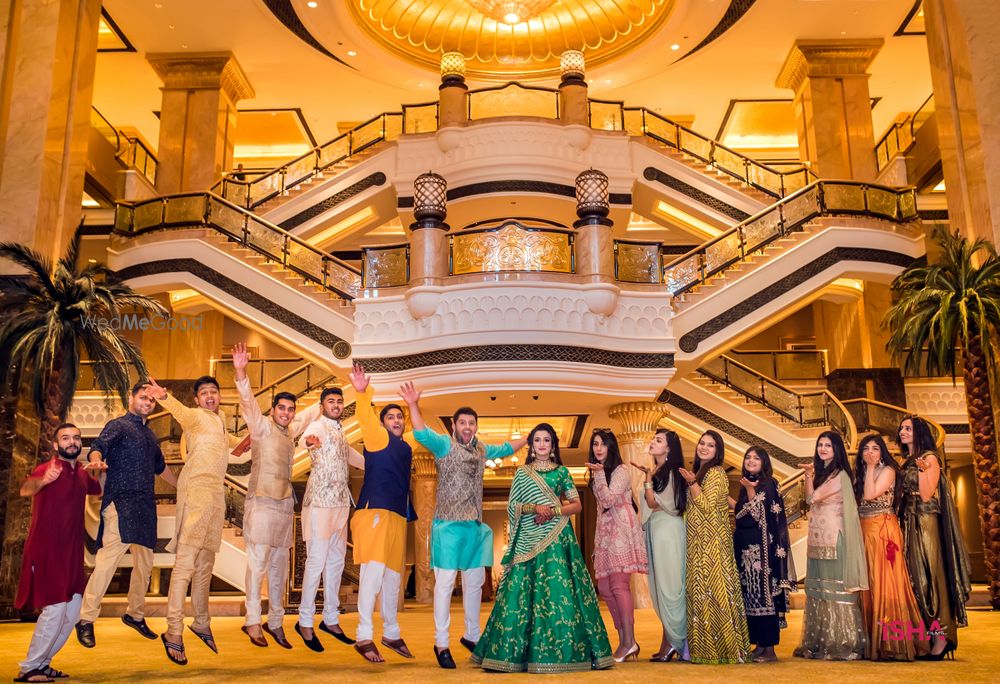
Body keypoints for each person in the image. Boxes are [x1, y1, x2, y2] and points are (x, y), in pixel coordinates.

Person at [400, 381, 525, 669]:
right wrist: (412, 404)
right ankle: (441, 643)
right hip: (448, 527)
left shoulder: (481, 449)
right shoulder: (445, 444)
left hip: (475, 528)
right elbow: (420, 432)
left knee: (474, 584)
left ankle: (472, 635)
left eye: (472, 423)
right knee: (444, 585)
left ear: (476, 427)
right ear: (454, 425)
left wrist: (530, 437)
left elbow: (506, 448)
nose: (467, 427)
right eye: (463, 422)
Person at [472, 423, 613, 673]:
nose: (542, 445)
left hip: (557, 536)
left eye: (546, 440)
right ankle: (512, 656)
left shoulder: (561, 472)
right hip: (527, 536)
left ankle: (565, 654)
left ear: (553, 445)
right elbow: (513, 505)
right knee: (521, 593)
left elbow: (576, 505)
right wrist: (535, 508)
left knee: (558, 591)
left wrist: (553, 511)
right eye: (537, 440)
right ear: (531, 445)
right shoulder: (522, 472)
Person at [231, 343, 323, 649]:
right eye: (281, 408)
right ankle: (252, 621)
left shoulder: (291, 430)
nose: (285, 413)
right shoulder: (261, 428)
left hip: (285, 506)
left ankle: (276, 622)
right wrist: (241, 371)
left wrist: (328, 399)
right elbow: (247, 403)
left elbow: (313, 412)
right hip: (260, 503)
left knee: (279, 569)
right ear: (273, 411)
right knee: (257, 566)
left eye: (289, 409)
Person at [147, 375, 241, 665]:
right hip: (196, 491)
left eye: (214, 391)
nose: (210, 396)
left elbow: (231, 445)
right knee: (185, 565)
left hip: (215, 495)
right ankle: (173, 631)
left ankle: (201, 622)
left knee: (205, 565)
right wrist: (163, 396)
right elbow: (181, 413)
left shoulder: (220, 420)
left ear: (220, 396)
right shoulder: (196, 417)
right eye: (204, 393)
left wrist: (248, 442)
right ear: (197, 399)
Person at [75, 382, 177, 648]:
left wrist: (184, 486)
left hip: (145, 505)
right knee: (108, 562)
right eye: (142, 397)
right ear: (131, 398)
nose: (147, 402)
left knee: (144, 565)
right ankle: (85, 619)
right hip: (120, 503)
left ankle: (135, 614)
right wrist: (96, 459)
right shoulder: (118, 425)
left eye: (151, 400)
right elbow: (98, 446)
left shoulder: (150, 435)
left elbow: (161, 468)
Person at [15, 424, 101, 683]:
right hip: (46, 551)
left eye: (76, 438)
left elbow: (99, 490)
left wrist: (102, 469)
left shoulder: (81, 475)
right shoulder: (47, 469)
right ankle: (29, 667)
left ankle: (42, 663)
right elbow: (25, 489)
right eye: (65, 438)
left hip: (72, 556)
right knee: (55, 609)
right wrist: (44, 480)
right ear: (56, 445)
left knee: (73, 612)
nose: (72, 442)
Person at [348, 364, 416, 663]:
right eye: (391, 417)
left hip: (397, 517)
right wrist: (362, 393)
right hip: (374, 512)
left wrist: (414, 406)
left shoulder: (406, 446)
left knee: (392, 580)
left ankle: (391, 632)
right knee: (373, 576)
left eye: (400, 417)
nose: (397, 420)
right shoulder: (378, 438)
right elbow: (365, 418)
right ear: (384, 423)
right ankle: (363, 636)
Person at [295, 383, 364, 652]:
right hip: (320, 504)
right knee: (316, 561)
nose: (335, 405)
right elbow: (306, 438)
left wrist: (377, 464)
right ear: (322, 405)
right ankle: (304, 621)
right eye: (331, 401)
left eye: (339, 402)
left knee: (336, 563)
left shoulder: (340, 431)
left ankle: (331, 619)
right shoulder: (319, 427)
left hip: (340, 504)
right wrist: (308, 443)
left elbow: (350, 456)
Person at [897, 416, 971, 660]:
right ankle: (926, 638)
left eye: (908, 428)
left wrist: (922, 470)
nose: (902, 432)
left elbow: (927, 495)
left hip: (925, 523)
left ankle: (942, 639)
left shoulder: (930, 458)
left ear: (919, 432)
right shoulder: (905, 460)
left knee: (929, 577)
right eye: (901, 428)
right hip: (908, 522)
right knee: (914, 581)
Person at [794, 431, 868, 661]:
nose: (823, 449)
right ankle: (820, 641)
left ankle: (842, 641)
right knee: (819, 592)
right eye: (820, 445)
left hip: (834, 539)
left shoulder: (840, 475)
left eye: (828, 445)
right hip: (817, 538)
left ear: (837, 450)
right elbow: (809, 498)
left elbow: (813, 498)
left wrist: (810, 476)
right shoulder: (822, 474)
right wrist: (808, 475)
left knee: (835, 591)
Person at [679, 430, 750, 664]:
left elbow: (707, 506)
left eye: (710, 445)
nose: (704, 448)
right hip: (698, 541)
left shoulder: (717, 473)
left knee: (715, 593)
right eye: (702, 443)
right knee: (699, 592)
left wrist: (691, 483)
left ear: (717, 451)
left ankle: (724, 650)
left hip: (713, 544)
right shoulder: (701, 472)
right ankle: (701, 649)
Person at [853, 434, 926, 661]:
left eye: (875, 448)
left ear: (882, 451)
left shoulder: (888, 471)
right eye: (866, 449)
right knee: (868, 584)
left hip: (884, 530)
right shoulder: (863, 472)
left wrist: (871, 468)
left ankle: (892, 643)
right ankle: (870, 640)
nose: (870, 453)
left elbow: (869, 494)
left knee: (885, 582)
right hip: (865, 529)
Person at [585, 428, 647, 662]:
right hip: (605, 533)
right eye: (595, 444)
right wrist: (596, 544)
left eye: (602, 444)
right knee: (604, 588)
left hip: (621, 530)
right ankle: (623, 639)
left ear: (611, 447)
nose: (598, 448)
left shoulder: (620, 470)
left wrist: (599, 475)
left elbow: (610, 500)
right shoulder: (598, 473)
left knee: (619, 585)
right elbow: (602, 510)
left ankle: (629, 641)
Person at [733, 446, 794, 663]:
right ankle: (759, 645)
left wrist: (750, 491)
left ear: (764, 462)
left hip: (761, 552)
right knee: (751, 596)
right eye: (747, 457)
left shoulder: (768, 484)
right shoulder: (746, 483)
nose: (750, 461)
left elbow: (760, 516)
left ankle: (769, 649)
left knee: (763, 595)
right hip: (746, 548)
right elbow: (743, 513)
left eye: (755, 458)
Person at [631, 428, 687, 663]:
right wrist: (649, 476)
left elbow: (653, 502)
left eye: (659, 440)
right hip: (656, 529)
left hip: (668, 532)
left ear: (669, 448)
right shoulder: (659, 471)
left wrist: (646, 479)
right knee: (659, 585)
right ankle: (670, 639)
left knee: (670, 586)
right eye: (654, 439)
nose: (653, 442)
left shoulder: (672, 473)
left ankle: (676, 640)